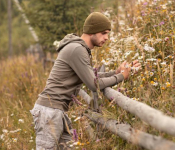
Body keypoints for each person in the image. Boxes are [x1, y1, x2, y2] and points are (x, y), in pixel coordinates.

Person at [30, 12, 141, 150]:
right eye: (103, 33)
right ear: (92, 31)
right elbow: (94, 84)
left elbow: (92, 77)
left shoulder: (79, 49)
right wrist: (122, 77)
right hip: (50, 112)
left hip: (56, 111)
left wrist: (116, 72)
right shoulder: (77, 49)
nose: (107, 38)